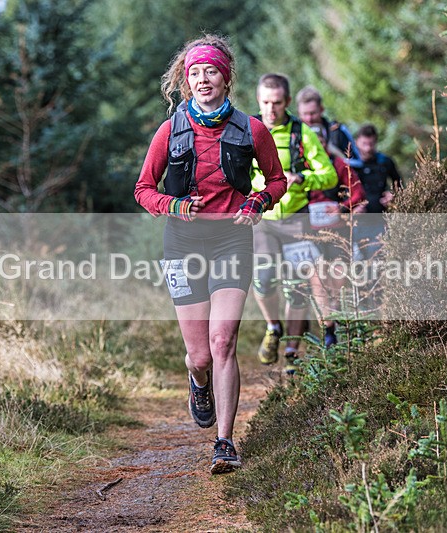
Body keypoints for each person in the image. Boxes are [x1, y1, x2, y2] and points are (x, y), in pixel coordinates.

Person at [134, 35, 287, 474]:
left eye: (211, 71)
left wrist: (259, 202)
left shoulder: (251, 129)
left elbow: (277, 181)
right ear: (187, 81)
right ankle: (197, 383)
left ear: (226, 77)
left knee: (223, 342)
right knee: (200, 356)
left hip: (231, 241)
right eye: (195, 73)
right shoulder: (170, 130)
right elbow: (143, 190)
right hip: (182, 243)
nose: (203, 79)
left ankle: (225, 442)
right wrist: (175, 205)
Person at [250, 73, 338, 374]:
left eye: (276, 103)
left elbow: (330, 175)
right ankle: (273, 327)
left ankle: (291, 349)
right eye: (265, 102)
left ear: (287, 102)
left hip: (297, 219)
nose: (270, 109)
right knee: (263, 279)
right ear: (258, 100)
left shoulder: (302, 133)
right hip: (262, 218)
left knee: (298, 285)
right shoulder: (247, 130)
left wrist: (301, 177)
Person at [297, 86, 367, 346]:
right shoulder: (299, 163)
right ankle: (324, 332)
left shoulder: (338, 156)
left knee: (336, 279)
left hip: (336, 227)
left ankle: (335, 329)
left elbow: (358, 189)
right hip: (306, 228)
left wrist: (342, 207)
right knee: (315, 279)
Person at [353, 124, 403, 263]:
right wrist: (351, 207)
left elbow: (399, 184)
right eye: (364, 144)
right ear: (357, 142)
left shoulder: (384, 162)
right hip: (356, 220)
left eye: (371, 144)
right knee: (357, 260)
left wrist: (393, 195)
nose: (368, 148)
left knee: (377, 257)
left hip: (380, 218)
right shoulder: (349, 163)